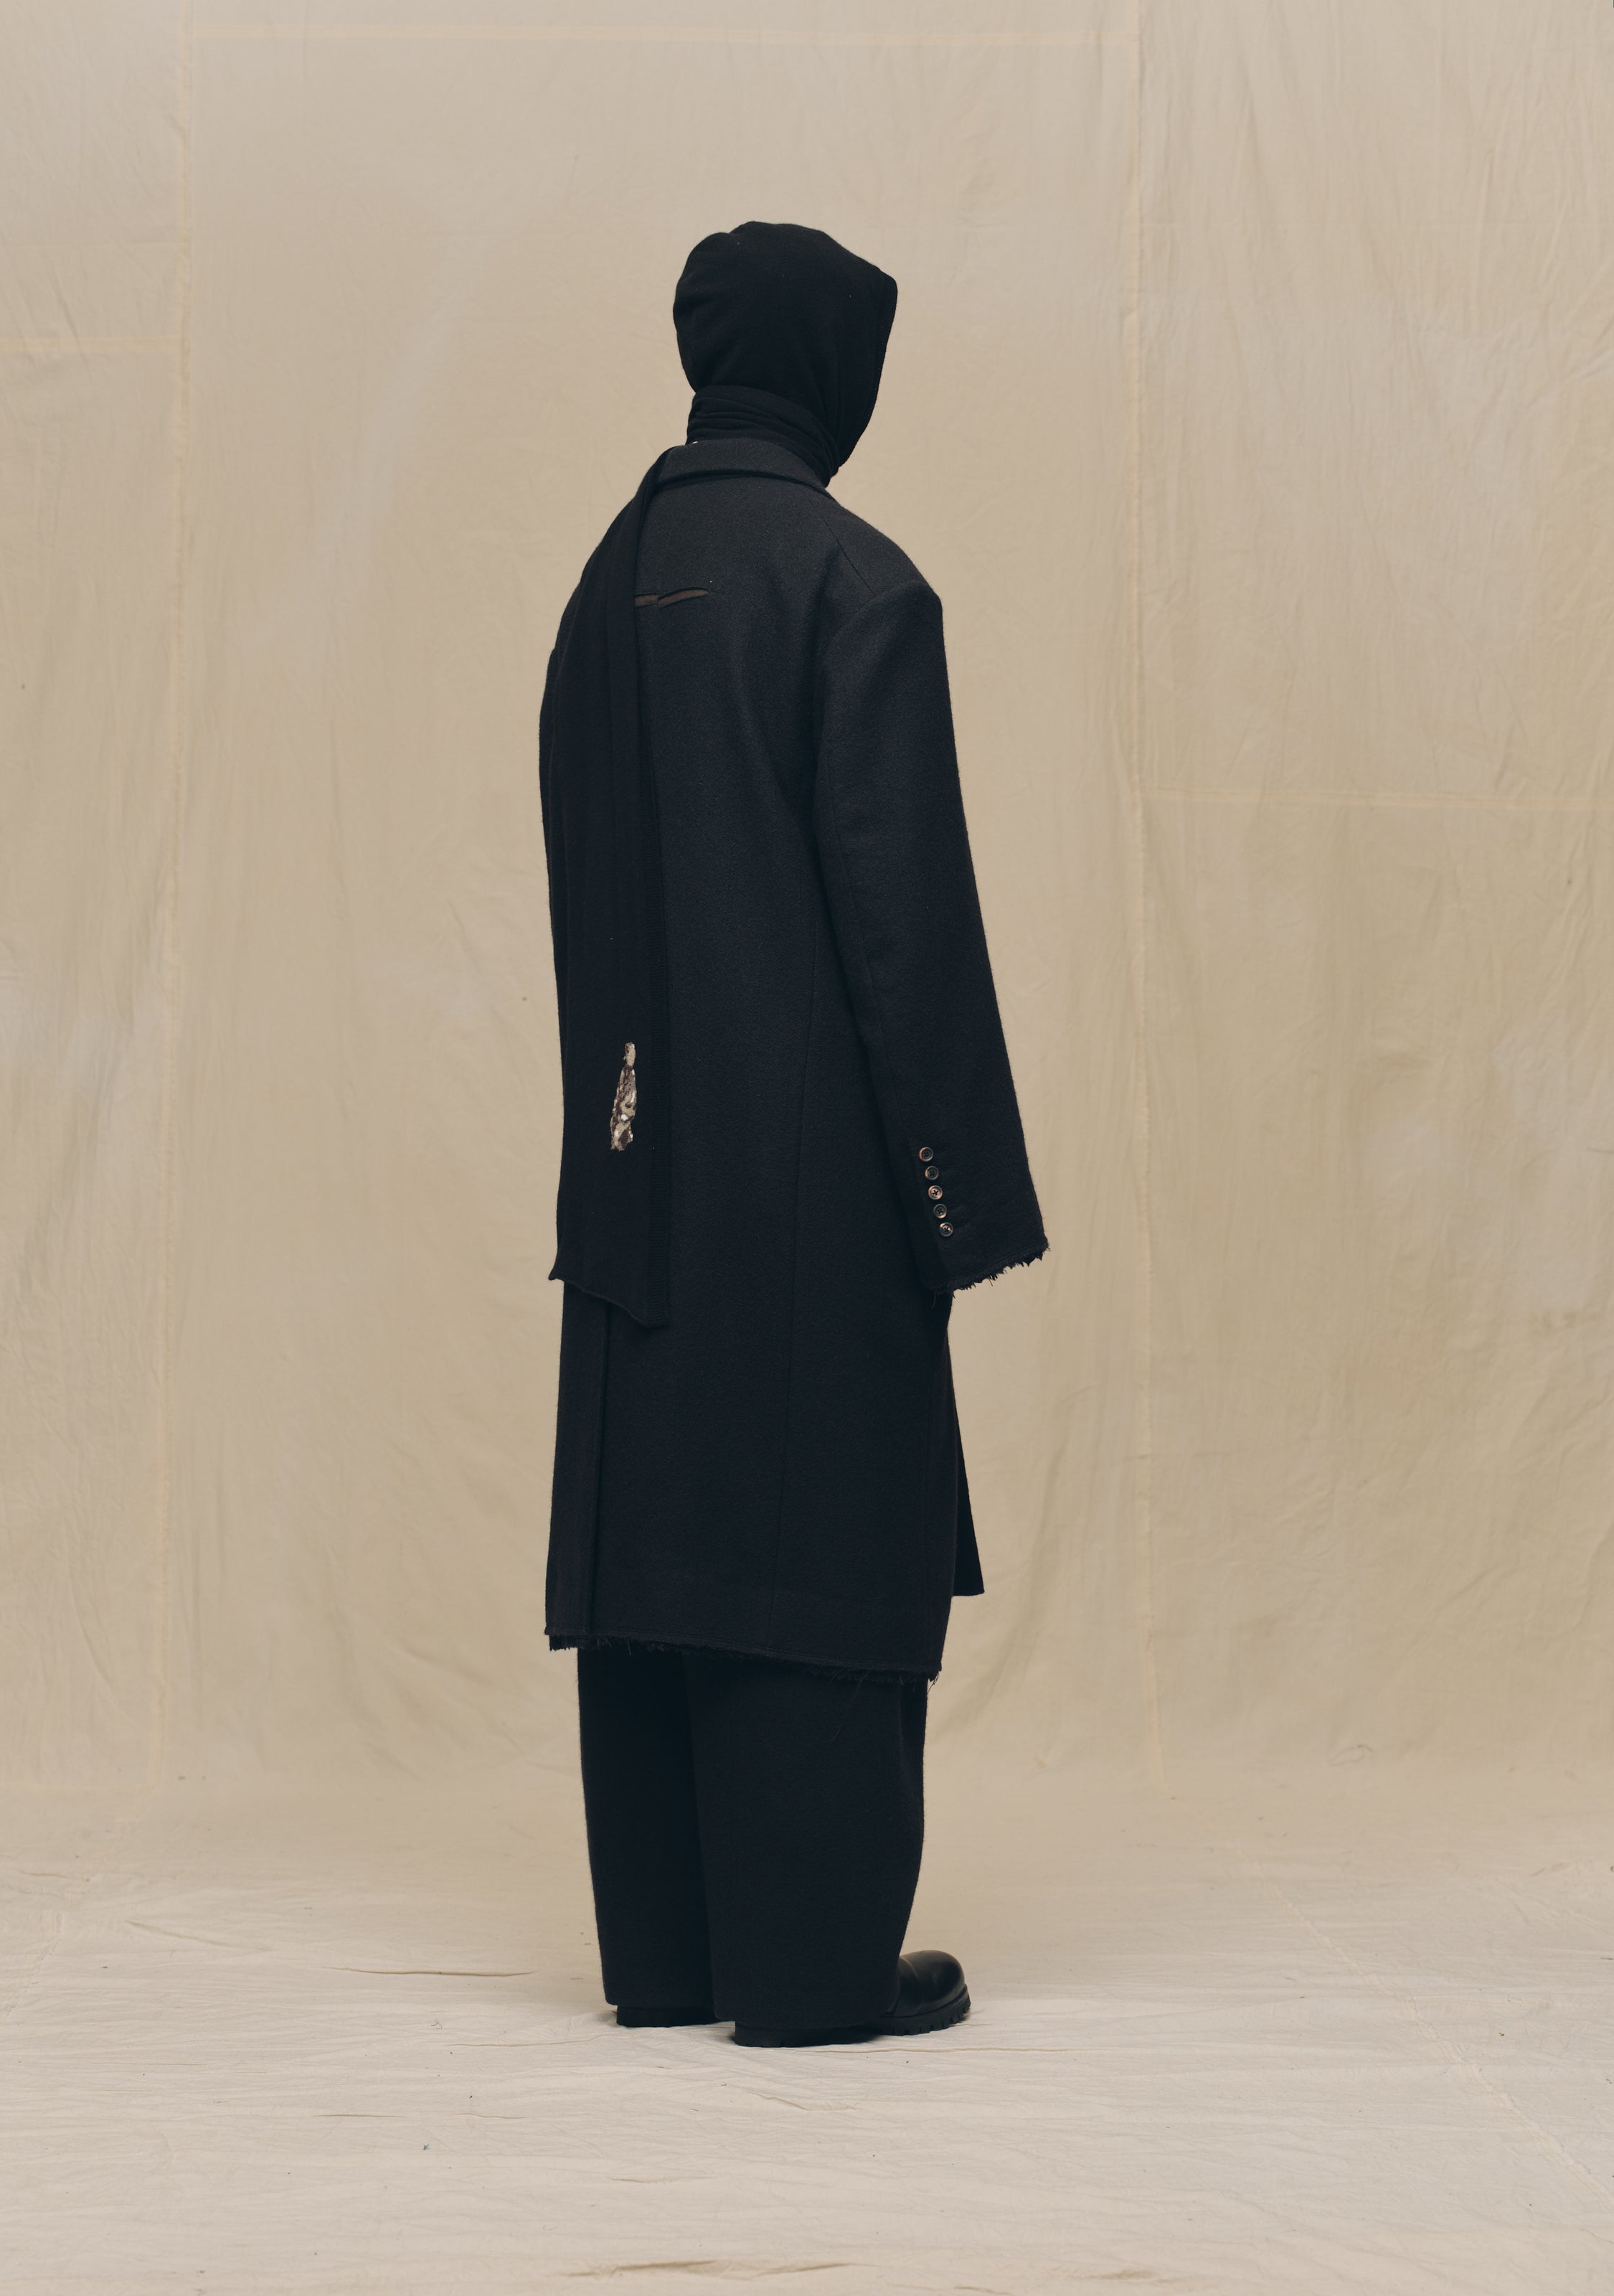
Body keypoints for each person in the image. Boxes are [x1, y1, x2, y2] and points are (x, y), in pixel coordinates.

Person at [536, 220, 1047, 2048]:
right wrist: (960, 1198)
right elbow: (909, 935)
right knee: (818, 1529)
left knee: (660, 1543)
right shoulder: (853, 584)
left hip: (629, 1185)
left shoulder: (607, 585)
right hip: (813, 1186)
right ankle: (809, 1968)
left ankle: (672, 1954)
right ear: (835, 371)